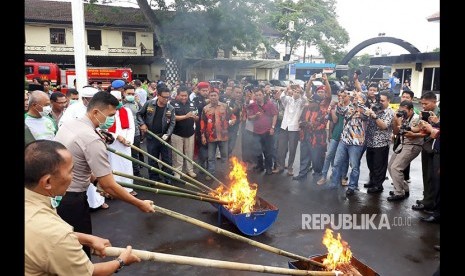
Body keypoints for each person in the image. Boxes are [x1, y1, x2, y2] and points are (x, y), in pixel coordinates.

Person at [54, 91, 155, 257]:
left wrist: (95, 183)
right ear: (95, 112)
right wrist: (139, 203)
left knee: (65, 246)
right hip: (72, 200)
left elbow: (76, 164)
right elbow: (109, 185)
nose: (112, 119)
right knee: (79, 251)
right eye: (110, 115)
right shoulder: (92, 139)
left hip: (57, 196)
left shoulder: (70, 124)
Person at [25, 140, 142, 275]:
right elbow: (87, 273)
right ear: (47, 182)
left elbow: (43, 239)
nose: (73, 176)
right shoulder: (56, 234)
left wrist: (86, 239)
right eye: (70, 172)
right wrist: (121, 261)